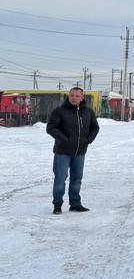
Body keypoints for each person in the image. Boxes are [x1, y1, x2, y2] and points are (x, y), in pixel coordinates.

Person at [46, 85, 99, 214]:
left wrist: (88, 140)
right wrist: (65, 139)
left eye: (77, 96)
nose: (74, 98)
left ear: (82, 98)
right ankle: (57, 205)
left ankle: (75, 203)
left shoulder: (88, 112)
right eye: (72, 95)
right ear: (68, 96)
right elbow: (51, 128)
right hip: (62, 152)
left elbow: (95, 127)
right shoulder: (59, 111)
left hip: (80, 152)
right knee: (60, 179)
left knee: (76, 179)